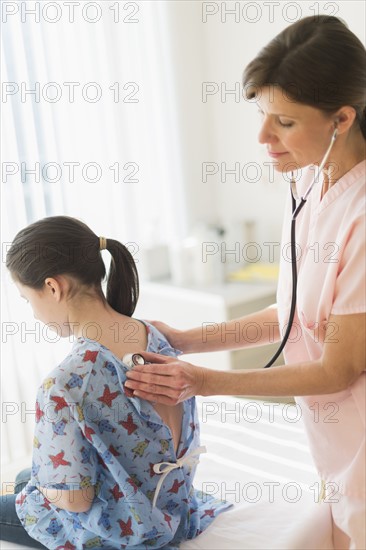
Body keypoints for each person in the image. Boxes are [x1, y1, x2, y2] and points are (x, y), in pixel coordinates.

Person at [123, 15, 366, 550]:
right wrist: (188, 339)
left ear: (341, 119)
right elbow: (296, 316)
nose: (262, 137)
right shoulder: (307, 179)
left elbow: (338, 368)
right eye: (262, 115)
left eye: (283, 121)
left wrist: (204, 382)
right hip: (334, 443)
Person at [1, 216, 231, 549]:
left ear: (53, 287)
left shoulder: (65, 384)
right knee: (25, 479)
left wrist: (44, 483)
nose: (34, 314)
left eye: (27, 299)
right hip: (173, 510)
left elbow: (75, 501)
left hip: (125, 530)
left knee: (30, 483)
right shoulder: (153, 336)